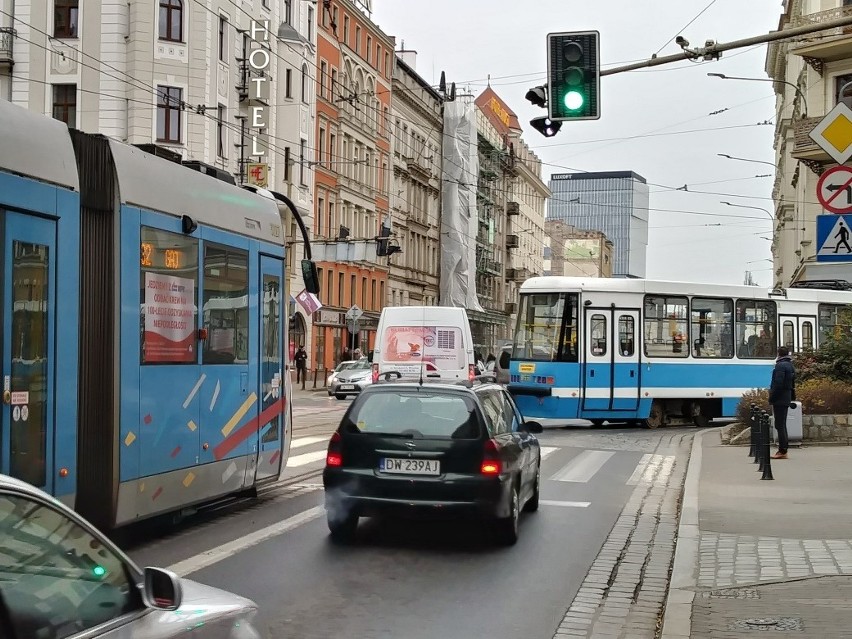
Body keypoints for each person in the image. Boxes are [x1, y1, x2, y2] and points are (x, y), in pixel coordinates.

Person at [768, 346, 796, 460]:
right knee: (782, 424)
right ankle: (783, 449)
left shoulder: (780, 366)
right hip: (786, 397)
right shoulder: (790, 365)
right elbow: (792, 383)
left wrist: (772, 397)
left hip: (780, 399)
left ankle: (782, 450)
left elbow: (778, 384)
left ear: (779, 353)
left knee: (780, 425)